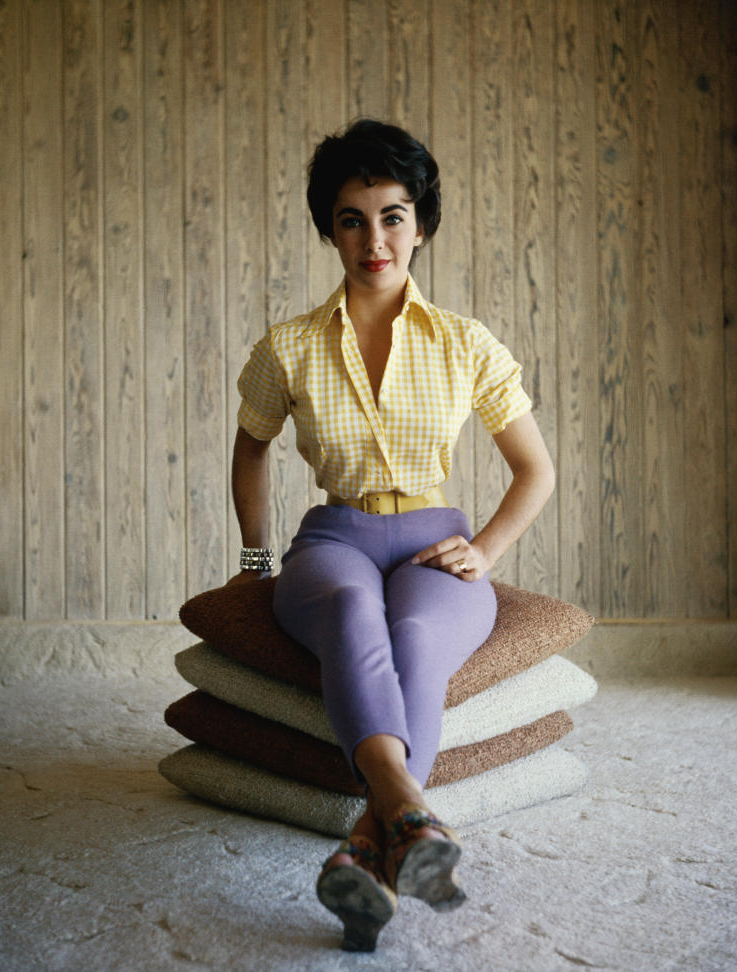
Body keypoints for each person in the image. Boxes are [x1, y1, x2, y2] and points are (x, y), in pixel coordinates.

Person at [228, 119, 554, 952]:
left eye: (393, 215)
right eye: (351, 218)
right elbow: (251, 449)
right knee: (347, 610)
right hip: (331, 539)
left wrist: (484, 550)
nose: (374, 239)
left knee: (413, 632)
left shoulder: (466, 343)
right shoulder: (289, 347)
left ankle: (372, 849)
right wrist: (255, 562)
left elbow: (536, 471)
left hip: (433, 540)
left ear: (422, 222)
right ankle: (410, 816)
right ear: (328, 227)